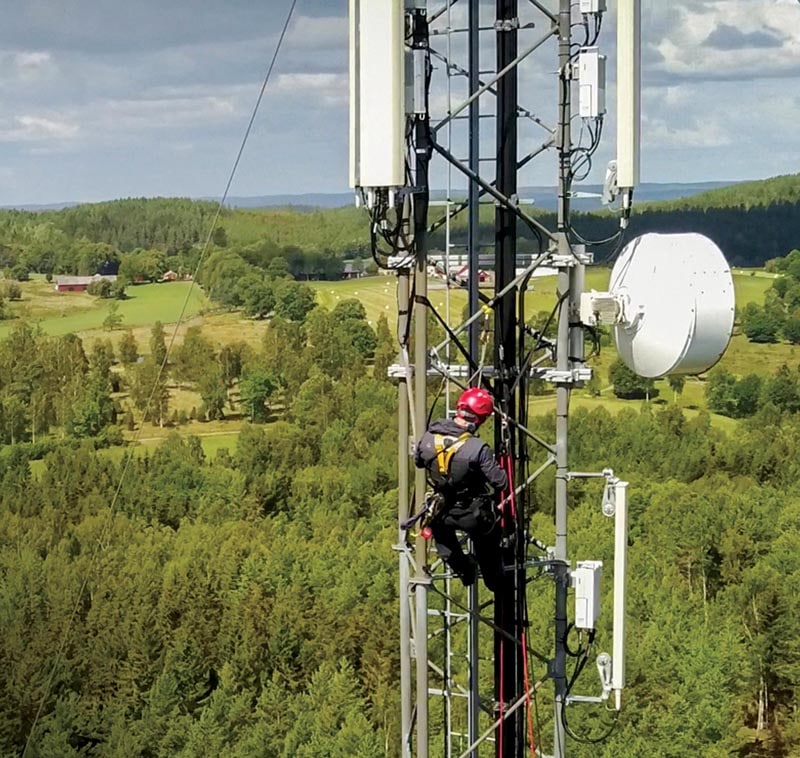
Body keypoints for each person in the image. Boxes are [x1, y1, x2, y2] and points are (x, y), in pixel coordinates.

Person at [414, 387, 508, 591]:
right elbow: (500, 482)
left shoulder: (428, 438)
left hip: (440, 510)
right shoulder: (477, 448)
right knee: (487, 541)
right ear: (479, 419)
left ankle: (464, 570)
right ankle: (495, 581)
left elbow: (419, 463)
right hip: (471, 512)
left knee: (445, 543)